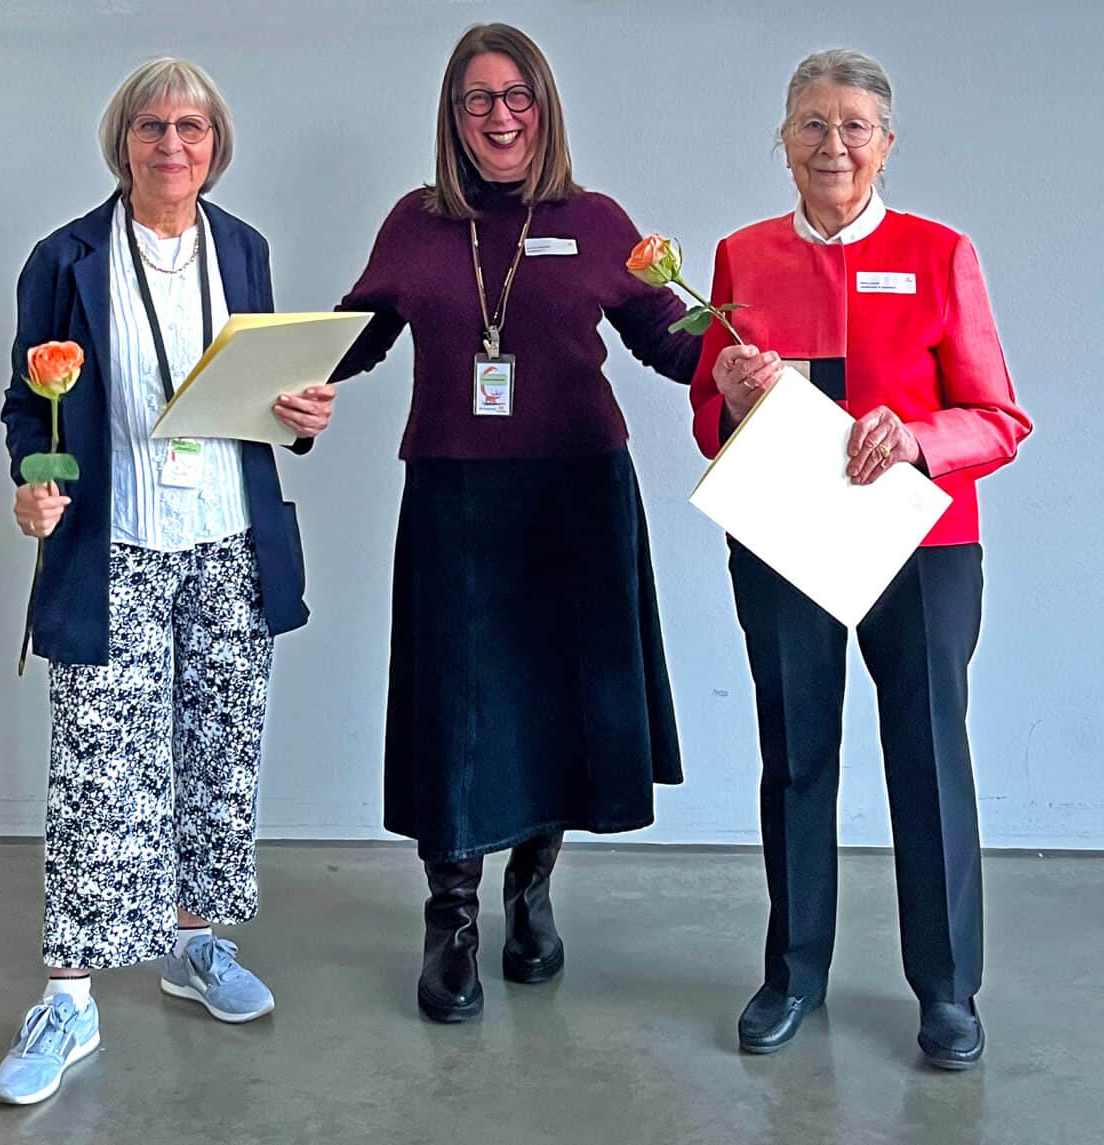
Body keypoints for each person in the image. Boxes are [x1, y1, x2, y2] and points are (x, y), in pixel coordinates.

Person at [330, 22, 702, 1023]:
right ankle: (449, 916)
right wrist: (283, 380)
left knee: (557, 700)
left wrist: (743, 358)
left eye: (515, 95)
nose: (499, 115)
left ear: (544, 106)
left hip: (579, 495)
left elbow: (671, 340)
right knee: (454, 706)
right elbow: (354, 329)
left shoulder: (594, 218)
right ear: (453, 119)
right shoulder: (416, 223)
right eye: (476, 99)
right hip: (456, 495)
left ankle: (529, 890)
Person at [0, 57, 335, 1105]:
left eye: (192, 127)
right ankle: (69, 997)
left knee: (218, 749)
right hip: (118, 542)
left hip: (230, 537)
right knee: (100, 764)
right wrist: (33, 486)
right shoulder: (66, 257)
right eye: (152, 127)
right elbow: (30, 404)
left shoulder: (245, 248)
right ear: (123, 141)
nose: (173, 146)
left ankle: (192, 946)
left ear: (215, 142)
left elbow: (269, 397)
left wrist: (300, 415)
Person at [690, 48, 1031, 1068]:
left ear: (884, 144)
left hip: (921, 544)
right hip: (784, 532)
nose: (831, 143)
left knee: (926, 759)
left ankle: (946, 991)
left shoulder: (939, 252)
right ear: (782, 143)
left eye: (852, 126)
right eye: (810, 124)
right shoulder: (741, 255)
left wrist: (920, 437)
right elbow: (712, 421)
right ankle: (791, 971)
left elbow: (999, 415)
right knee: (796, 754)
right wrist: (735, 397)